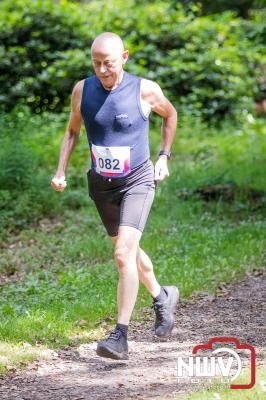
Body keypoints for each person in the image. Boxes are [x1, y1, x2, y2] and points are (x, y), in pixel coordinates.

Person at [51, 32, 179, 360]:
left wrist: (163, 156)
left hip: (137, 180)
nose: (103, 70)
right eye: (97, 64)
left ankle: (120, 336)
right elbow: (72, 131)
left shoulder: (144, 89)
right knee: (129, 253)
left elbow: (171, 115)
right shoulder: (83, 89)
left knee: (123, 254)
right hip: (102, 184)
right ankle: (163, 296)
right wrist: (61, 169)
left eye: (109, 63)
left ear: (124, 57)